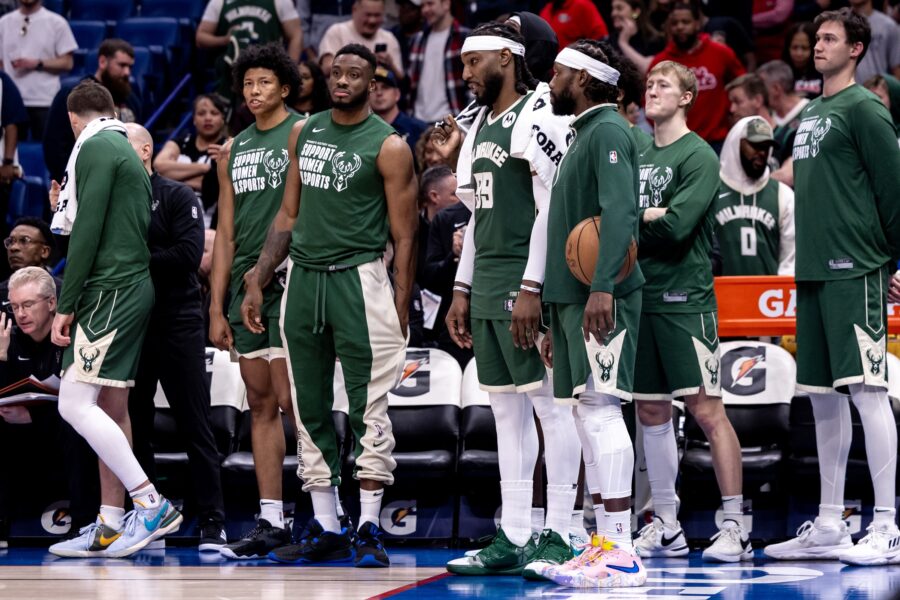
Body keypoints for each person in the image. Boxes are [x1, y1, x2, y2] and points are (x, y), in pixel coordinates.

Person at [241, 42, 416, 568]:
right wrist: (258, 277)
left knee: (368, 406)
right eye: (336, 72)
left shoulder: (389, 146)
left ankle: (369, 525)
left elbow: (405, 236)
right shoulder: (305, 130)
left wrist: (401, 301)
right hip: (302, 279)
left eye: (354, 74)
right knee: (307, 404)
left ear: (373, 84)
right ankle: (328, 523)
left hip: (359, 280)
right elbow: (287, 215)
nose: (342, 80)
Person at [437, 22, 582, 579]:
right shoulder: (479, 124)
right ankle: (516, 533)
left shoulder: (540, 112)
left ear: (505, 57)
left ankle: (563, 530)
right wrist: (461, 287)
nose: (466, 73)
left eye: (473, 62)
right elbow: (477, 215)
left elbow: (553, 208)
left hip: (529, 279)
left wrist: (532, 286)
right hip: (488, 280)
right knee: (504, 410)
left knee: (551, 407)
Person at [766, 8, 900, 567]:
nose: (817, 46)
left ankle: (886, 525)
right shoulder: (813, 112)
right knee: (822, 396)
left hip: (857, 268)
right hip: (814, 271)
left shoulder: (865, 108)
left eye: (829, 38)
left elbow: (894, 187)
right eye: (815, 38)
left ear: (857, 48)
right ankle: (830, 521)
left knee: (869, 391)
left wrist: (896, 260)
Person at [46, 80, 181, 558]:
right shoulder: (120, 145)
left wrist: (66, 303)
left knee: (72, 404)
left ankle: (150, 503)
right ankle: (108, 521)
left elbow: (88, 229)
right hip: (125, 284)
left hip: (110, 289)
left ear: (72, 119)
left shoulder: (97, 146)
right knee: (109, 407)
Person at [539, 39, 647, 589]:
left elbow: (620, 211)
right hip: (573, 298)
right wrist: (553, 311)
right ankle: (602, 543)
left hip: (601, 296)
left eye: (558, 72)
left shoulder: (608, 131)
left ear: (583, 78)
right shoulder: (583, 133)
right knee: (585, 412)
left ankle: (623, 550)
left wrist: (603, 287)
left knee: (603, 410)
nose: (550, 80)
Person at [631, 61, 750, 563]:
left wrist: (634, 218)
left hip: (686, 299)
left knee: (706, 410)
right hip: (639, 296)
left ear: (686, 97)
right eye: (649, 83)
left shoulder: (698, 154)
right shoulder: (636, 151)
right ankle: (666, 524)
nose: (652, 89)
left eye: (664, 84)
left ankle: (735, 525)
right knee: (650, 411)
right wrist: (649, 215)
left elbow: (678, 227)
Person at [208, 43, 303, 560]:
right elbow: (224, 233)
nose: (254, 91)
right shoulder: (235, 148)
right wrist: (215, 305)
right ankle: (272, 519)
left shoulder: (301, 132)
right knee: (260, 403)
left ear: (285, 88)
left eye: (264, 82)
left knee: (295, 402)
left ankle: (326, 514)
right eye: (247, 83)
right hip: (243, 290)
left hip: (289, 279)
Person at [123, 123, 228, 554]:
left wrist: (129, 258)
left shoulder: (176, 195)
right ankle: (148, 516)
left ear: (146, 151)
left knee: (194, 423)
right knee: (135, 423)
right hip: (131, 324)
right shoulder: (110, 198)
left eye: (123, 146)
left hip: (178, 321)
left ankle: (213, 520)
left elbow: (187, 256)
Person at [0, 267, 98, 547]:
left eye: (28, 305)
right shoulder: (7, 337)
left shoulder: (74, 337)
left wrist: (31, 417)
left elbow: (88, 404)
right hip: (20, 434)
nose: (20, 314)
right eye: (15, 306)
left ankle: (83, 525)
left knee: (74, 425)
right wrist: (1, 356)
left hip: (63, 430)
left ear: (52, 303)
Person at [648, 2, 746, 150]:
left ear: (697, 23)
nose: (680, 27)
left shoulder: (721, 53)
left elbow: (742, 83)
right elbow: (649, 101)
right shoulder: (660, 62)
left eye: (685, 22)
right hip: (677, 142)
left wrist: (732, 113)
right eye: (675, 23)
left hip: (718, 140)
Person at [43, 39, 141, 185]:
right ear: (102, 62)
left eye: (130, 67)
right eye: (121, 65)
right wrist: (68, 180)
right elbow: (54, 143)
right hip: (81, 179)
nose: (127, 72)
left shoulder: (131, 98)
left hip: (123, 181)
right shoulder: (74, 94)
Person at [714, 116, 795, 276]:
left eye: (766, 147)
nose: (762, 153)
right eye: (755, 146)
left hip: (769, 291)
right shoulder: (711, 191)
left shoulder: (783, 195)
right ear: (736, 143)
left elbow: (790, 262)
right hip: (719, 290)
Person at [0, 0, 76, 139]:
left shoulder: (57, 22)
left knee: (46, 146)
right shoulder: (3, 23)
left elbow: (68, 63)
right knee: (10, 149)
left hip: (44, 100)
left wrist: (38, 63)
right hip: (11, 101)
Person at [153, 93, 228, 228]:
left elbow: (214, 186)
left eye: (214, 113)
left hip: (209, 223)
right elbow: (159, 166)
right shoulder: (181, 142)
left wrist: (174, 176)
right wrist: (204, 168)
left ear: (223, 118)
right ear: (193, 119)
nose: (208, 118)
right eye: (201, 113)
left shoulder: (227, 147)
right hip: (171, 219)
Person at [408, 0, 469, 123]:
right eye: (422, 6)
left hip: (452, 119)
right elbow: (410, 82)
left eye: (430, 4)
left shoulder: (465, 37)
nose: (425, 10)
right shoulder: (417, 39)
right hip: (417, 119)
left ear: (446, 4)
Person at [318, 0, 404, 78]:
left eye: (377, 15)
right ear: (354, 10)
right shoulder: (337, 31)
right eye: (368, 15)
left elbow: (401, 79)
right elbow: (327, 69)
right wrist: (364, 62)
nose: (372, 20)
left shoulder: (389, 38)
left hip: (378, 89)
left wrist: (390, 65)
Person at [196, 0, 302, 63]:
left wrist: (289, 71)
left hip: (270, 68)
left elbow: (296, 35)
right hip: (229, 69)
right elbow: (200, 37)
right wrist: (225, 39)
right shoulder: (219, 2)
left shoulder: (280, 1)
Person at [0, 217, 60, 306]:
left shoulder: (62, 293)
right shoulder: (1, 292)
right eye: (10, 241)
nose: (13, 248)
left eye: (24, 241)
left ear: (44, 251)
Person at [370, 66, 427, 156]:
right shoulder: (363, 131)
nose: (379, 93)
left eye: (385, 87)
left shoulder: (419, 130)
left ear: (397, 94)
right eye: (374, 89)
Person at [849, 0, 900, 84]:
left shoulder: (889, 26)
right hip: (845, 89)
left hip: (878, 89)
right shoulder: (837, 24)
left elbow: (896, 68)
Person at [611, 0, 666, 75]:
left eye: (619, 8)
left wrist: (623, 43)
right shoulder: (608, 40)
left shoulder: (655, 41)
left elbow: (650, 71)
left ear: (635, 12)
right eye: (613, 9)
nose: (613, 13)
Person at [540, 0, 609, 51]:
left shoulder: (582, 5)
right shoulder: (546, 10)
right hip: (550, 64)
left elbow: (601, 38)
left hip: (575, 64)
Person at [783, 22, 824, 98]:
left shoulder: (826, 73)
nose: (799, 53)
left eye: (805, 48)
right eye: (794, 47)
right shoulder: (780, 73)